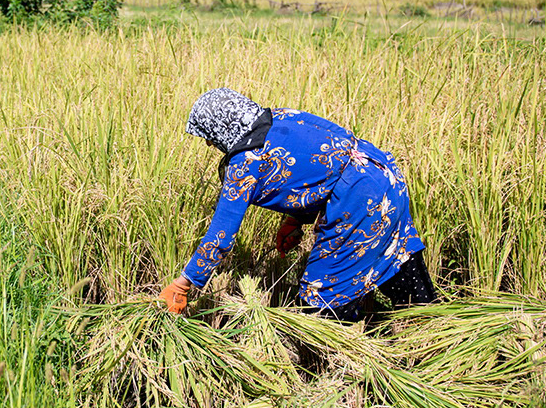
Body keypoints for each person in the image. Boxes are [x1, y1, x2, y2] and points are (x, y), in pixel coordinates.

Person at [159, 88, 438, 321]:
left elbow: (220, 237)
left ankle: (347, 358)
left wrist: (182, 286)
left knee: (322, 297)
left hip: (361, 201)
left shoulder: (246, 164)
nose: (209, 144)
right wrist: (295, 220)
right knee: (399, 261)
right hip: (384, 177)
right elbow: (319, 168)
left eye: (208, 135)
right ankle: (429, 329)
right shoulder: (282, 117)